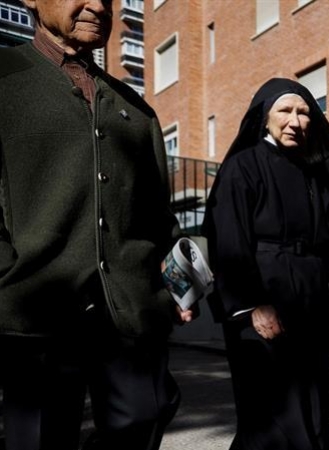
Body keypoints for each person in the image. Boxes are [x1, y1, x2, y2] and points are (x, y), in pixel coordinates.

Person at [0, 1, 193, 449]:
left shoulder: (137, 111)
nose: (97, 5)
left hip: (128, 316)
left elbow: (159, 220)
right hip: (35, 317)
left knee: (144, 421)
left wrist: (175, 288)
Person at [202, 78, 329, 450]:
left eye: (304, 112)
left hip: (312, 302)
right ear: (265, 118)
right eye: (286, 111)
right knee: (270, 412)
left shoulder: (314, 176)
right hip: (264, 298)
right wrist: (251, 305)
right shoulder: (243, 167)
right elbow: (229, 240)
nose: (296, 120)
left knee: (312, 401)